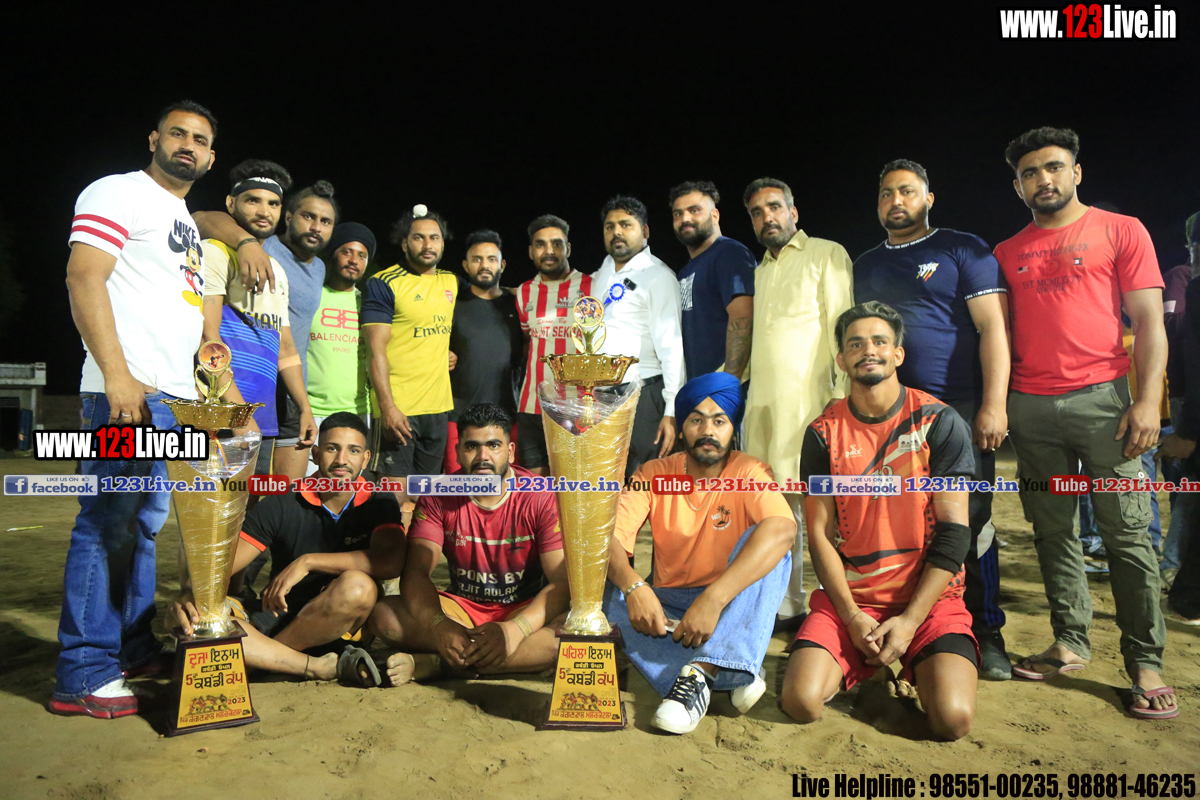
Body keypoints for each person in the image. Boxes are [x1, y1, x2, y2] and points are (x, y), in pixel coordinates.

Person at [995, 126, 1177, 719]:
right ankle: (1070, 640)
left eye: (1053, 167)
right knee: (1052, 531)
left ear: (1076, 172)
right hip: (1030, 409)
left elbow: (1148, 322)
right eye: (1029, 173)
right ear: (1018, 186)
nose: (1042, 179)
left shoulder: (1120, 230)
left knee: (1127, 534)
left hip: (1106, 405)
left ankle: (1145, 662)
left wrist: (1146, 403)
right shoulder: (1006, 252)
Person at [51, 100, 218, 718]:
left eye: (200, 139)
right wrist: (118, 376)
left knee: (144, 525)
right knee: (108, 524)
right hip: (127, 395)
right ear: (154, 138)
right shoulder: (118, 191)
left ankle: (132, 646)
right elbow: (83, 278)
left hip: (170, 400)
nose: (188, 145)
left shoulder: (183, 220)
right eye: (178, 133)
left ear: (210, 158)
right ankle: (84, 672)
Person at [780, 302, 979, 741]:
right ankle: (866, 667)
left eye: (879, 342)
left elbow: (955, 532)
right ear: (841, 360)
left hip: (929, 601)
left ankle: (912, 661)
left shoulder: (939, 421)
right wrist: (851, 616)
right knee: (800, 702)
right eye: (855, 344)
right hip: (854, 599)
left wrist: (909, 621)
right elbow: (819, 535)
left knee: (953, 720)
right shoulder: (822, 433)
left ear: (898, 353)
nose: (867, 350)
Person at [852, 159, 1012, 680]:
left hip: (957, 410)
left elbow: (993, 329)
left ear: (929, 198)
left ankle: (985, 630)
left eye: (906, 191)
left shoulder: (962, 249)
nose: (895, 201)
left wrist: (993, 404)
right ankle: (904, 622)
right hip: (891, 415)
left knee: (970, 521)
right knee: (898, 521)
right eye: (886, 194)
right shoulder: (865, 264)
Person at [603, 372, 794, 734]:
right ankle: (733, 663)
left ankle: (700, 674)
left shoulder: (749, 471)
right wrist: (633, 586)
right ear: (681, 428)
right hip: (668, 610)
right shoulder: (653, 473)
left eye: (719, 421)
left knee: (771, 543)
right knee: (597, 591)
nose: (708, 430)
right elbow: (609, 539)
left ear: (733, 428)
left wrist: (714, 599)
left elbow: (783, 530)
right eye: (696, 420)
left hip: (730, 604)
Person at [172, 414, 405, 685]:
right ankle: (309, 665)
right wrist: (191, 592)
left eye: (353, 451)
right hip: (278, 613)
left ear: (365, 459)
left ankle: (266, 661)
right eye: (332, 448)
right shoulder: (284, 501)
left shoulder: (379, 500)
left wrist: (307, 562)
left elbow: (390, 563)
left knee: (359, 587)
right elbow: (223, 566)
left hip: (341, 626)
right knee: (191, 615)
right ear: (315, 454)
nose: (342, 460)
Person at [368, 403, 569, 684]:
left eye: (493, 445)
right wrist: (439, 626)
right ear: (458, 451)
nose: (483, 456)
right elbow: (415, 573)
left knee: (572, 636)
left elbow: (561, 582)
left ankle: (440, 664)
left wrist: (516, 629)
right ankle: (504, 659)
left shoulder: (540, 496)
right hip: (461, 612)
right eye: (472, 446)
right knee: (384, 615)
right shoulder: (437, 494)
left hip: (524, 610)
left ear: (510, 451)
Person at [742, 177, 855, 628]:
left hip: (814, 409)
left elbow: (843, 328)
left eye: (774, 207)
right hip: (766, 412)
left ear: (793, 212)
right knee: (778, 510)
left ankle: (842, 610)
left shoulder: (826, 253)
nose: (766, 217)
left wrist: (842, 401)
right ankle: (788, 605)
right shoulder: (760, 271)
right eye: (756, 212)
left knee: (829, 513)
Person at [201, 159, 312, 476]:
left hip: (261, 418)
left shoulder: (277, 270)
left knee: (251, 504)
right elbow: (206, 337)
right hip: (221, 414)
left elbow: (286, 350)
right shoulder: (214, 252)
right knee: (213, 507)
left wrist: (304, 407)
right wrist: (238, 413)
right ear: (230, 203)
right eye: (253, 200)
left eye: (273, 203)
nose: (265, 211)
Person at [363, 205, 457, 507]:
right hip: (399, 408)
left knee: (425, 500)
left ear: (442, 243)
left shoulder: (451, 282)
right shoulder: (384, 282)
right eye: (419, 238)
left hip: (438, 410)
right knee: (393, 499)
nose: (428, 245)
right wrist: (388, 407)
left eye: (434, 238)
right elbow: (375, 351)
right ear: (405, 243)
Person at [591, 195, 686, 482]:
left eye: (625, 225)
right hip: (604, 398)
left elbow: (672, 348)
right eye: (609, 227)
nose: (616, 232)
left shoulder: (658, 276)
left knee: (653, 485)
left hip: (644, 397)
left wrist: (672, 411)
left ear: (644, 231)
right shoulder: (601, 274)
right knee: (610, 488)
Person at [262, 181, 337, 480]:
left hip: (295, 394)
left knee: (288, 492)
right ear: (289, 216)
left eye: (325, 221)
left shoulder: (319, 268)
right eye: (308, 216)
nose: (316, 227)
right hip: (258, 387)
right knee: (246, 493)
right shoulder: (264, 247)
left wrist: (304, 402)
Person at [515, 215, 593, 476]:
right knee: (534, 487)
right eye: (540, 244)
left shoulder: (592, 286)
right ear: (531, 251)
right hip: (531, 406)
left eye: (556, 244)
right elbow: (527, 341)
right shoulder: (524, 292)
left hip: (577, 406)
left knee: (571, 484)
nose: (548, 251)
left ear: (568, 248)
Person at [446, 230, 523, 473]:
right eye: (477, 259)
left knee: (506, 489)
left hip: (507, 418)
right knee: (458, 488)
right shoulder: (451, 305)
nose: (484, 265)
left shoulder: (518, 304)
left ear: (502, 265)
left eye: (491, 259)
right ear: (466, 265)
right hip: (458, 419)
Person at [670, 181, 756, 380]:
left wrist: (727, 385)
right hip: (698, 386)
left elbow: (743, 319)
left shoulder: (729, 253)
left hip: (726, 387)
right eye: (678, 214)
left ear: (715, 215)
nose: (685, 218)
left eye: (694, 210)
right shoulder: (684, 272)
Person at [305, 222, 374, 462]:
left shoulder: (369, 305)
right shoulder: (311, 296)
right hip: (311, 413)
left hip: (359, 413)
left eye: (362, 255)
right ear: (333, 254)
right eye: (347, 252)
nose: (354, 260)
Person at [1159, 211, 1200, 586]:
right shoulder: (1183, 278)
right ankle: (1173, 563)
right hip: (1188, 394)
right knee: (1188, 484)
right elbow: (1171, 326)